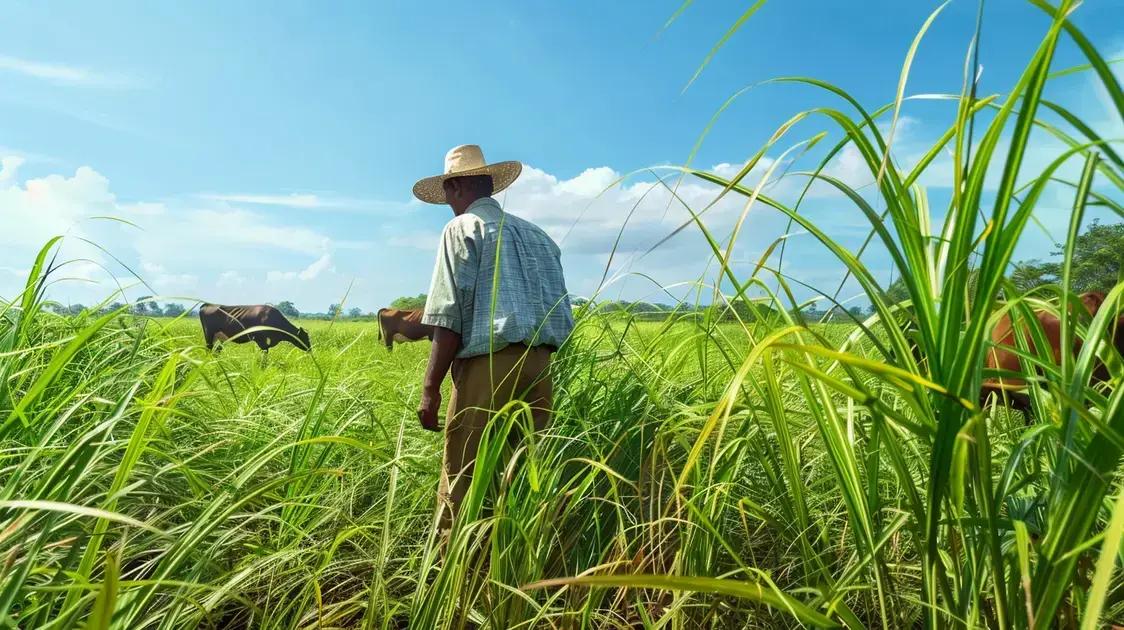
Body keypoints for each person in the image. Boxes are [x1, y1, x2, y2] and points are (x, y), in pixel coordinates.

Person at [412, 144, 574, 534]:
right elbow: (561, 314)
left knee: (463, 472)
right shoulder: (539, 237)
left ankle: (453, 570)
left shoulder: (461, 228)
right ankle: (523, 552)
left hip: (488, 365)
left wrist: (430, 388)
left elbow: (448, 316)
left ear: (457, 188)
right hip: (540, 366)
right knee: (526, 467)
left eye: (449, 193)